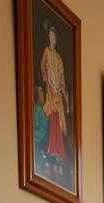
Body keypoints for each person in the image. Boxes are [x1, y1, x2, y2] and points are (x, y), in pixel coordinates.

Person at [39, 23, 69, 174]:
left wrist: (63, 92)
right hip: (51, 90)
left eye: (54, 37)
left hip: (58, 92)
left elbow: (62, 77)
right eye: (50, 36)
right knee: (52, 119)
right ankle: (51, 148)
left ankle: (58, 151)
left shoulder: (58, 58)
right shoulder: (47, 51)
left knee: (58, 119)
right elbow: (42, 65)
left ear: (56, 39)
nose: (52, 39)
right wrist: (46, 80)